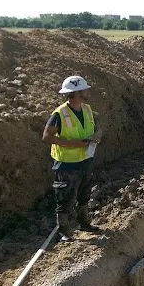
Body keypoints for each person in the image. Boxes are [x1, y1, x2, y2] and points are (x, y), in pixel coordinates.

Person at [41, 75, 102, 241]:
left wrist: (97, 135)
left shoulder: (87, 109)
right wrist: (71, 143)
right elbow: (47, 137)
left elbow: (97, 127)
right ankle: (64, 230)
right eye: (85, 89)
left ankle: (84, 223)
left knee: (84, 193)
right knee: (65, 197)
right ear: (77, 93)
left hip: (86, 159)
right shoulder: (60, 114)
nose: (88, 90)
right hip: (67, 164)